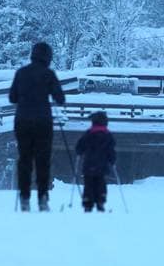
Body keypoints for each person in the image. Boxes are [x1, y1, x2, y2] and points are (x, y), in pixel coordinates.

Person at [8, 41, 65, 212]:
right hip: (43, 122)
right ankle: (42, 198)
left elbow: (12, 97)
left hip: (22, 121)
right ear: (48, 57)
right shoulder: (49, 74)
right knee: (42, 160)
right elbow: (60, 98)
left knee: (24, 159)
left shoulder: (21, 73)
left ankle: (24, 198)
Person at [75, 111, 116, 212]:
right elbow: (111, 150)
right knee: (101, 182)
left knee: (88, 184)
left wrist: (79, 152)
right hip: (102, 165)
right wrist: (112, 160)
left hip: (89, 164)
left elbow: (79, 146)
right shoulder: (107, 135)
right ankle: (100, 200)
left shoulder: (88, 134)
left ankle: (87, 202)